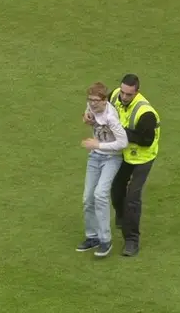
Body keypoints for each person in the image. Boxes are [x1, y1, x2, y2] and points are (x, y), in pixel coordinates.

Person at [84, 74, 160, 257]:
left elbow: (147, 140)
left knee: (133, 198)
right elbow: (100, 103)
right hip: (123, 154)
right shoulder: (116, 94)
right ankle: (121, 216)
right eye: (123, 93)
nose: (123, 97)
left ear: (137, 93)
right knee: (116, 189)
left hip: (143, 157)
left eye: (128, 95)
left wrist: (121, 132)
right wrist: (88, 113)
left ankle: (132, 240)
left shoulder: (146, 113)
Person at [77, 82, 128, 257]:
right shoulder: (91, 106)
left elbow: (123, 143)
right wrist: (86, 116)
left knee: (100, 194)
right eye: (89, 100)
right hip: (95, 157)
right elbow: (88, 114)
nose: (92, 104)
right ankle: (92, 237)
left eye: (96, 101)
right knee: (87, 198)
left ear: (104, 100)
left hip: (111, 158)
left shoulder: (111, 118)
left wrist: (98, 144)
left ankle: (105, 241)